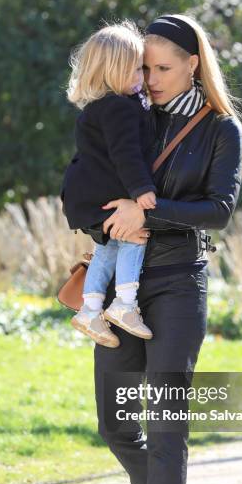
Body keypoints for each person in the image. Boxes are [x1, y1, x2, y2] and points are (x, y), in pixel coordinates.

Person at [93, 14, 242, 484]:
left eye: (163, 68)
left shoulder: (221, 129)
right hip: (121, 291)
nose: (152, 78)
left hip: (179, 282)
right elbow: (88, 182)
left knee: (164, 421)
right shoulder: (126, 117)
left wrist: (147, 213)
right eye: (144, 68)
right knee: (115, 425)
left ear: (192, 64)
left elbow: (218, 211)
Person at [61, 21, 158, 348]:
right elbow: (126, 155)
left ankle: (90, 311)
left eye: (140, 70)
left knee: (109, 245)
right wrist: (141, 190)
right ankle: (124, 304)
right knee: (134, 235)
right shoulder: (119, 107)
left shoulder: (101, 105)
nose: (140, 78)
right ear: (110, 72)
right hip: (102, 193)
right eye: (133, 71)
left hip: (86, 193)